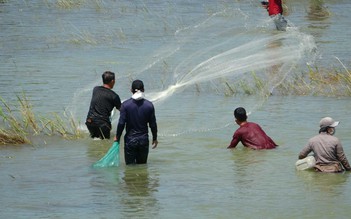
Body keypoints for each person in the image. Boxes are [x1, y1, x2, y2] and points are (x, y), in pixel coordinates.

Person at [115, 79, 158, 165]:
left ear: (131, 90)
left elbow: (121, 123)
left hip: (130, 140)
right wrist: (154, 138)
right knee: (142, 166)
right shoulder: (149, 105)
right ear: (143, 90)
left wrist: (117, 137)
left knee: (130, 168)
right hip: (143, 140)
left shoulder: (125, 105)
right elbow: (153, 124)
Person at [86, 71, 121, 139]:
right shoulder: (114, 96)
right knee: (105, 145)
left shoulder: (95, 89)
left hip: (90, 121)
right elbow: (122, 110)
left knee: (94, 142)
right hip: (103, 125)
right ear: (112, 81)